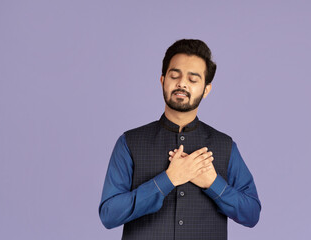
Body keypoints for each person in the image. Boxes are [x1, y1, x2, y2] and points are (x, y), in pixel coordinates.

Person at [99, 39, 261, 240]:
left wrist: (213, 183)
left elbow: (252, 214)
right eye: (174, 76)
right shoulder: (129, 143)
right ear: (162, 80)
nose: (182, 84)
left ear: (206, 89)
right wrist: (168, 180)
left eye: (193, 80)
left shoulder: (225, 146)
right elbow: (109, 214)